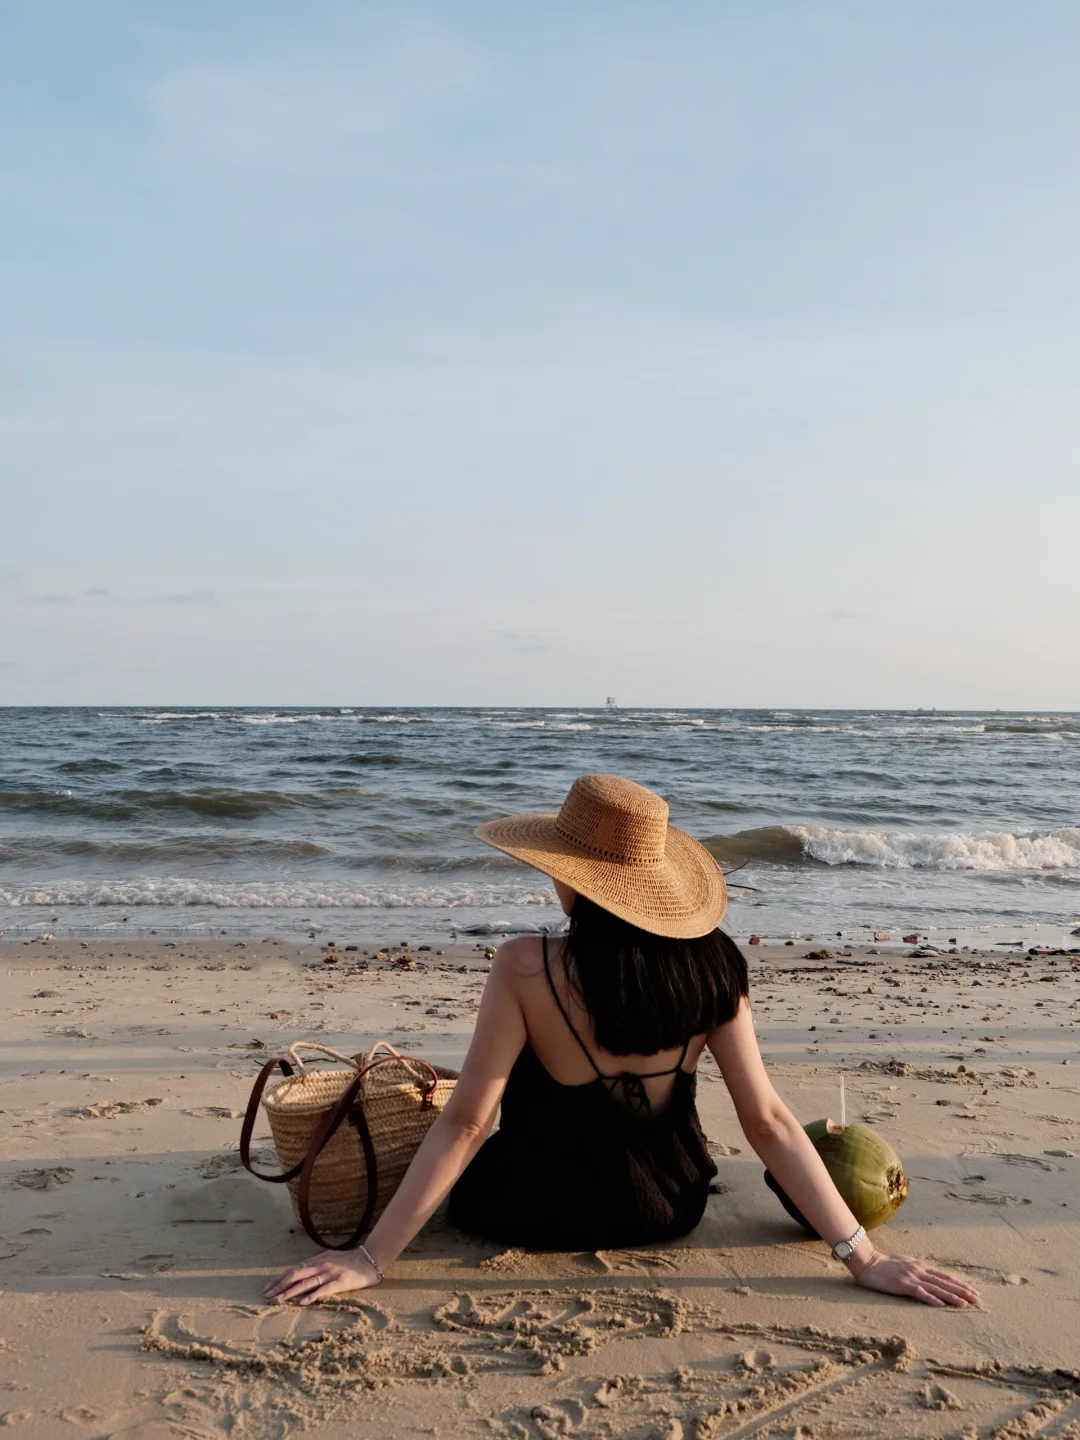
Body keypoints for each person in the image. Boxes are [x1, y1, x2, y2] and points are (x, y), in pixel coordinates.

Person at [265, 774, 979, 1309]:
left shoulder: (525, 965)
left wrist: (371, 1257)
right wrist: (862, 1254)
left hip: (526, 1210)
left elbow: (468, 1121)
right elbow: (767, 1121)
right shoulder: (717, 967)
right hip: (666, 1212)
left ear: (575, 879)